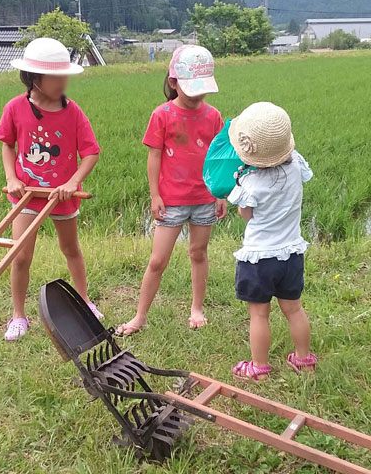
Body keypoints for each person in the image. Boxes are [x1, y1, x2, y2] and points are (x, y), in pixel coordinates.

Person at [0, 38, 102, 342]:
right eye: (56, 76)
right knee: (20, 256)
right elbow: (7, 144)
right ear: (34, 79)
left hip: (62, 196)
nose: (63, 82)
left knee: (70, 249)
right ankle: (18, 316)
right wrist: (12, 177)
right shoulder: (15, 108)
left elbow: (91, 152)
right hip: (26, 195)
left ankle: (84, 302)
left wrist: (72, 182)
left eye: (65, 75)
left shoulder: (73, 112)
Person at [117, 45, 226, 336]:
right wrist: (155, 195)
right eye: (192, 88)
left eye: (202, 89)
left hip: (204, 198)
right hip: (172, 201)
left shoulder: (213, 115)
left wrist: (219, 193)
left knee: (198, 253)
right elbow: (154, 157)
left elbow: (217, 157)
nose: (197, 96)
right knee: (157, 260)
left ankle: (197, 309)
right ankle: (140, 316)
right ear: (173, 82)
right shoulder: (162, 115)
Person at [227, 102, 317, 382]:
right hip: (291, 253)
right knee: (294, 309)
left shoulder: (250, 182)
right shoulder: (296, 165)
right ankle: (304, 359)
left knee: (259, 315)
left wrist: (239, 181)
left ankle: (259, 367)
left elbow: (246, 214)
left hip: (259, 260)